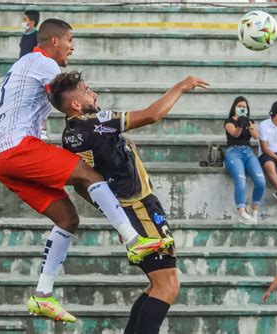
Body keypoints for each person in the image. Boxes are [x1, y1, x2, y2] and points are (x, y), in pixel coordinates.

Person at [0, 18, 172, 323]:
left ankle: (43, 295)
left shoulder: (26, 64)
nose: (72, 47)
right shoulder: (44, 63)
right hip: (17, 147)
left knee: (67, 217)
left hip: (1, 159)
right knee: (90, 176)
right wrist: (99, 119)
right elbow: (66, 99)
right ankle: (133, 239)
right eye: (70, 40)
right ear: (55, 41)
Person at [48, 71, 209, 334]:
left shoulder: (69, 135)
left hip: (130, 210)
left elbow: (80, 185)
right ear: (76, 104)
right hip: (140, 206)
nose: (94, 94)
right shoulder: (96, 122)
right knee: (167, 286)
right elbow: (152, 114)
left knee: (157, 285)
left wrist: (119, 220)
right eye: (87, 90)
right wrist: (182, 85)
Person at [224, 96, 265, 224]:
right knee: (240, 179)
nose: (242, 108)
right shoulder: (229, 121)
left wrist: (249, 125)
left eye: (244, 107)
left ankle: (254, 210)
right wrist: (240, 124)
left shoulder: (250, 121)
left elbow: (256, 136)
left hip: (247, 151)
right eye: (240, 106)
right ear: (234, 107)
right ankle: (242, 212)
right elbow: (235, 134)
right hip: (233, 152)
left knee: (260, 181)